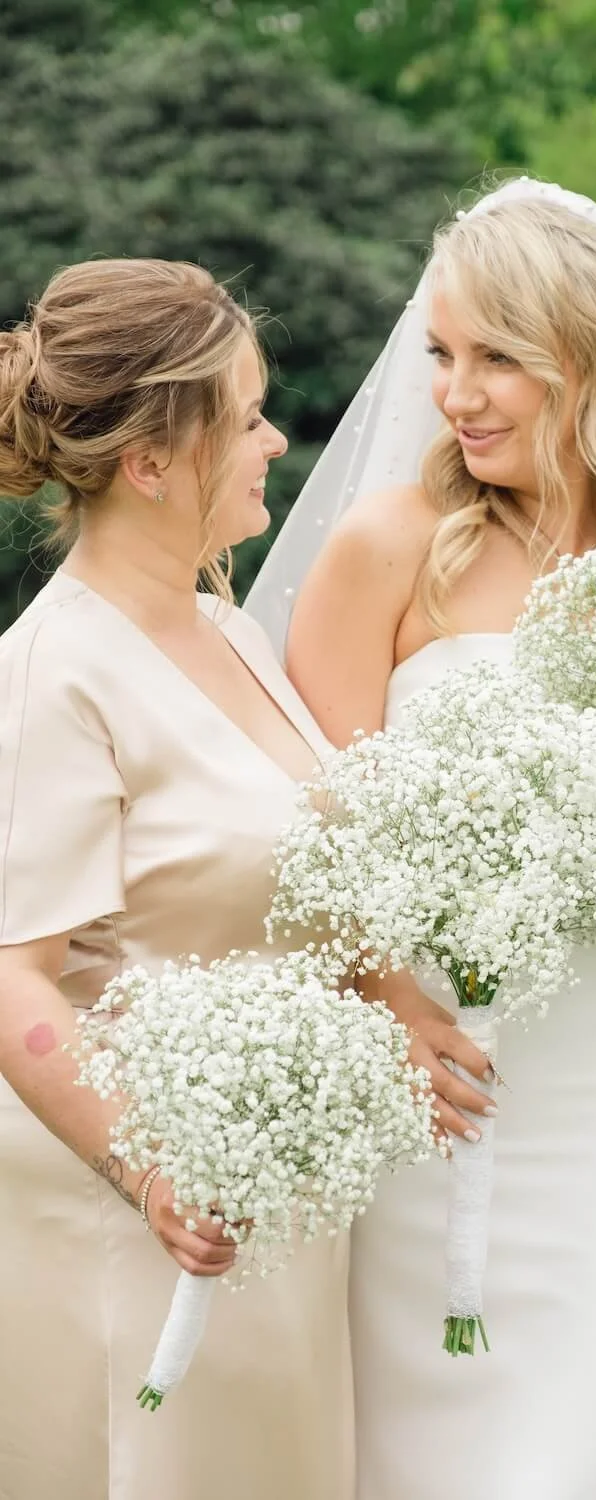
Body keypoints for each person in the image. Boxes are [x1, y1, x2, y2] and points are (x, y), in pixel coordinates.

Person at [247, 178, 596, 1500]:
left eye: (497, 358)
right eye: (442, 354)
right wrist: (394, 1004)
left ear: (590, 356)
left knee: (581, 1449)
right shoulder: (389, 548)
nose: (457, 394)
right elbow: (309, 830)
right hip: (437, 1073)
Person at [0, 260, 352, 1500]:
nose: (274, 440)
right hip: (135, 1218)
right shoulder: (53, 674)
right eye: (246, 417)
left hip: (275, 1201)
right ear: (151, 462)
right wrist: (152, 1173)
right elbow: (14, 979)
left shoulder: (227, 628)